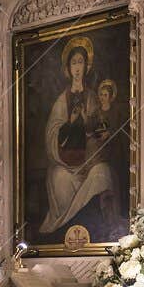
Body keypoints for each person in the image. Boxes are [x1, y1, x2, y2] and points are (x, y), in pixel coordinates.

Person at [41, 39, 117, 237]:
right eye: (73, 62)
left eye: (80, 62)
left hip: (90, 163)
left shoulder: (93, 97)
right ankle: (63, 229)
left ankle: (102, 230)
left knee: (103, 172)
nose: (77, 67)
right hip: (66, 164)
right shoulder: (61, 100)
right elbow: (51, 133)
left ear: (86, 66)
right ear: (68, 67)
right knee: (59, 177)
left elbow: (101, 127)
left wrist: (88, 125)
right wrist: (70, 123)